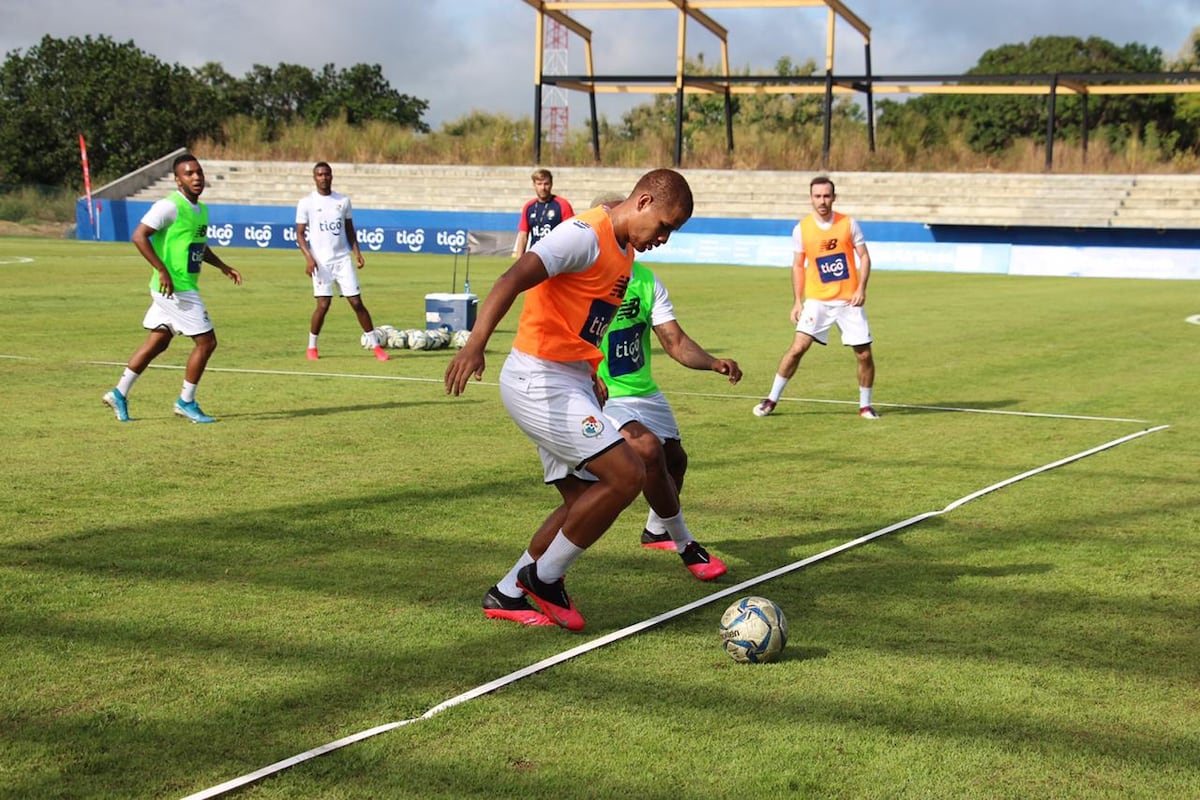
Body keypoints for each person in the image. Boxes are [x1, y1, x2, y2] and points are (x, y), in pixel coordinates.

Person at [445, 169, 695, 631]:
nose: (664, 238)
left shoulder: (623, 254)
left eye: (671, 232)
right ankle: (544, 579)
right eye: (664, 225)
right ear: (643, 202)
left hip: (570, 379)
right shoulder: (583, 234)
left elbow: (587, 317)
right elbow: (512, 277)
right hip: (538, 379)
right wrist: (474, 343)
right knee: (627, 473)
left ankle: (507, 592)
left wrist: (590, 368)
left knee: (580, 501)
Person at [590, 194, 740, 582]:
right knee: (648, 451)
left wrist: (712, 362)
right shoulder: (585, 273)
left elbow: (673, 341)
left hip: (643, 390)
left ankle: (655, 529)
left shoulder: (645, 280)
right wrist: (589, 372)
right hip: (603, 394)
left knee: (676, 461)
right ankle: (685, 544)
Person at [101, 153, 242, 424]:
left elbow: (198, 246)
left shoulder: (201, 210)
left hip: (177, 287)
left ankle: (119, 393)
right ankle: (185, 402)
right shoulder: (169, 206)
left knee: (159, 341)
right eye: (189, 174)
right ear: (178, 181)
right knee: (207, 342)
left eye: (199, 172)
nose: (197, 177)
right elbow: (139, 236)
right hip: (176, 289)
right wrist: (162, 270)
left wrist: (222, 266)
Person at [753, 175, 878, 419]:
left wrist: (861, 288)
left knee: (864, 354)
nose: (822, 200)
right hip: (817, 301)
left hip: (848, 300)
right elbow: (798, 265)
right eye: (818, 196)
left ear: (834, 197)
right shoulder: (802, 229)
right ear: (811, 198)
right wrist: (798, 300)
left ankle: (865, 405)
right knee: (798, 347)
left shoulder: (848, 224)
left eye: (827, 196)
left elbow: (864, 257)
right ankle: (771, 399)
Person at [296, 161, 387, 362]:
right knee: (323, 305)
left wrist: (357, 253)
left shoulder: (342, 201)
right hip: (321, 263)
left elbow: (349, 230)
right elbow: (300, 235)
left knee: (356, 302)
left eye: (326, 174)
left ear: (331, 176)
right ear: (314, 178)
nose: (323, 178)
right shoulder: (306, 203)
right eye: (319, 174)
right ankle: (312, 347)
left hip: (342, 260)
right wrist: (309, 258)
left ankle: (376, 346)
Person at [512, 167, 574, 257]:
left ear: (551, 184)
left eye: (546, 184)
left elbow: (571, 234)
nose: (543, 188)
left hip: (556, 257)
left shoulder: (562, 205)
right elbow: (523, 236)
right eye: (539, 184)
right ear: (534, 185)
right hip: (535, 257)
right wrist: (519, 263)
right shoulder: (529, 207)